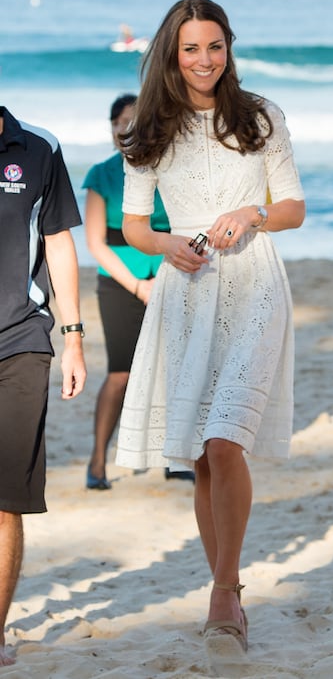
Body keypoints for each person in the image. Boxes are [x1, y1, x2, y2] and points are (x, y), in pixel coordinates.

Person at [115, 0, 305, 672]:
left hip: (254, 282)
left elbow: (294, 208)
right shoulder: (149, 128)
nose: (204, 60)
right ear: (171, 53)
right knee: (199, 451)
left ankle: (225, 594)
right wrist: (168, 244)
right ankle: (225, 584)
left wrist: (252, 212)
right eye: (192, 48)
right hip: (187, 286)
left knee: (226, 439)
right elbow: (135, 226)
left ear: (229, 48)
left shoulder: (259, 117)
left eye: (215, 46)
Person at [0, 106, 87, 666]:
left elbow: (56, 242)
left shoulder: (38, 146)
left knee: (5, 498)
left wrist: (74, 335)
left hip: (20, 340)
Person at [83, 94, 193, 489]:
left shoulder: (170, 170)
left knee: (173, 368)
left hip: (171, 275)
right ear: (112, 128)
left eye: (135, 122)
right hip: (118, 281)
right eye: (121, 122)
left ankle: (174, 458)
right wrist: (136, 285)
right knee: (120, 373)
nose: (127, 130)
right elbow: (95, 243)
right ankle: (97, 462)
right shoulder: (101, 174)